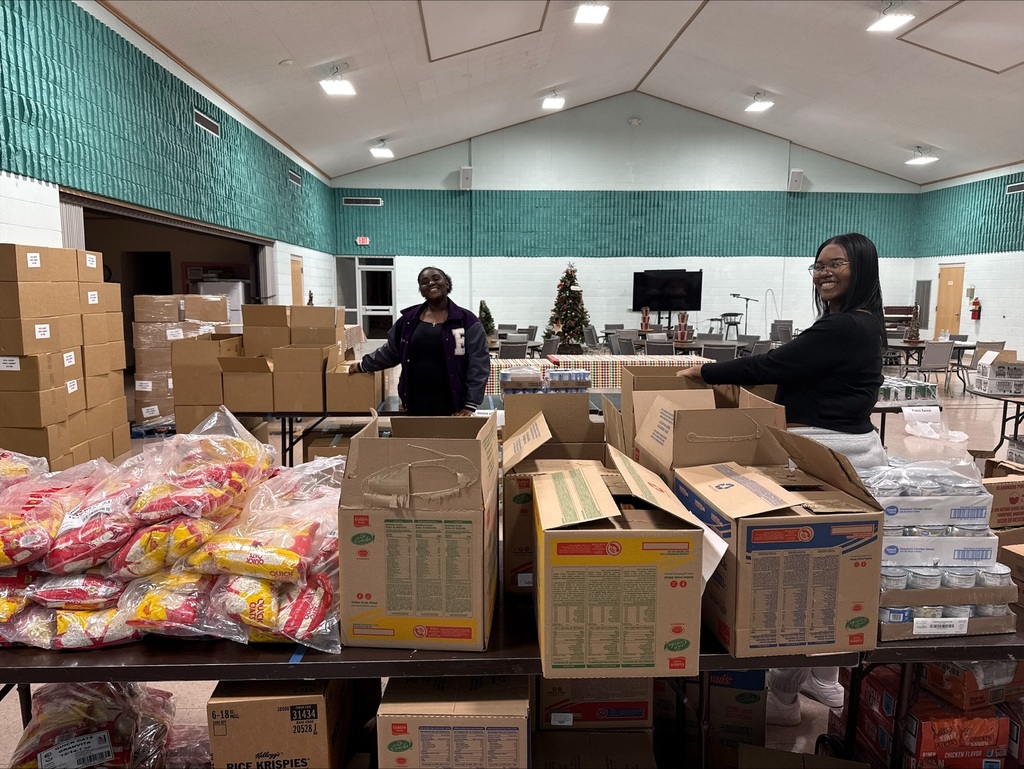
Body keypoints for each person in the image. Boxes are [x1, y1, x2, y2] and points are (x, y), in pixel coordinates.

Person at [678, 232, 888, 726]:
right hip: (844, 448)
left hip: (828, 454)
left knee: (806, 578)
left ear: (862, 268)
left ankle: (785, 692)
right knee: (837, 574)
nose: (824, 272)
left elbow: (774, 364)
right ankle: (823, 678)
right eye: (818, 266)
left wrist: (707, 372)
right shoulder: (856, 323)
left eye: (836, 264)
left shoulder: (846, 327)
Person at [348, 266, 489, 416]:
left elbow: (478, 363)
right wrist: (364, 365)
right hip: (415, 401)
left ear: (446, 283)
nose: (431, 283)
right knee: (416, 439)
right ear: (421, 290)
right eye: (424, 282)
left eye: (436, 278)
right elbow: (390, 352)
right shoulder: (408, 322)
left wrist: (470, 404)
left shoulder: (466, 321)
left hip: (454, 403)